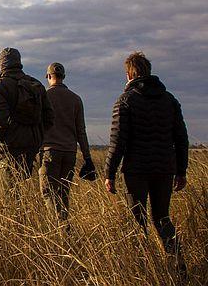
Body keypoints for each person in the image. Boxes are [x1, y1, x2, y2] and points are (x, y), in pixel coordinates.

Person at [104, 52, 188, 277]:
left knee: (137, 221)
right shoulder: (169, 100)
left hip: (136, 171)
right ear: (148, 71)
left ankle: (143, 270)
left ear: (129, 74)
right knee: (162, 218)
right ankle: (178, 266)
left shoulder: (126, 101)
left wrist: (109, 173)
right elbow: (181, 138)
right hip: (164, 168)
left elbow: (117, 141)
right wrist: (181, 171)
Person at [39, 63, 96, 221]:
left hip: (50, 152)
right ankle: (64, 227)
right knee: (63, 193)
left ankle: (60, 227)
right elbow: (81, 131)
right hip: (70, 153)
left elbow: (38, 126)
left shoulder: (44, 97)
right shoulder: (76, 99)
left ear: (49, 77)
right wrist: (87, 157)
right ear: (63, 77)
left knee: (48, 192)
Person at [0, 47, 54, 179]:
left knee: (10, 193)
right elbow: (49, 117)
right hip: (32, 145)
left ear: (1, 64)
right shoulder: (36, 84)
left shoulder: (0, 85)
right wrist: (37, 137)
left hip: (9, 146)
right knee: (24, 185)